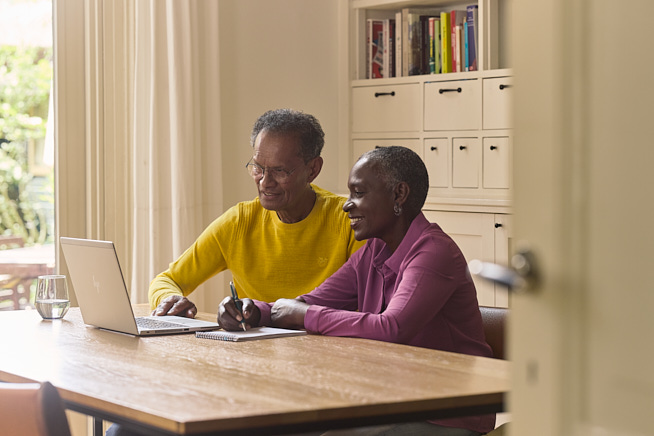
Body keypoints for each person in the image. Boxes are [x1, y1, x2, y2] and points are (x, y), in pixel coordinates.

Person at [218, 146, 495, 435]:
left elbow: (393, 326)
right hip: (394, 400)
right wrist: (252, 310)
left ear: (399, 195)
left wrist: (304, 314)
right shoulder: (374, 251)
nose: (346, 205)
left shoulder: (434, 251)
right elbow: (308, 302)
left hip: (449, 413)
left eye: (359, 193)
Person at [148, 108, 363, 317]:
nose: (265, 182)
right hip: (254, 350)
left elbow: (369, 305)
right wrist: (170, 299)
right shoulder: (240, 222)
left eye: (279, 171)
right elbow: (167, 280)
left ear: (313, 169)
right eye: (258, 168)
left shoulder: (348, 220)